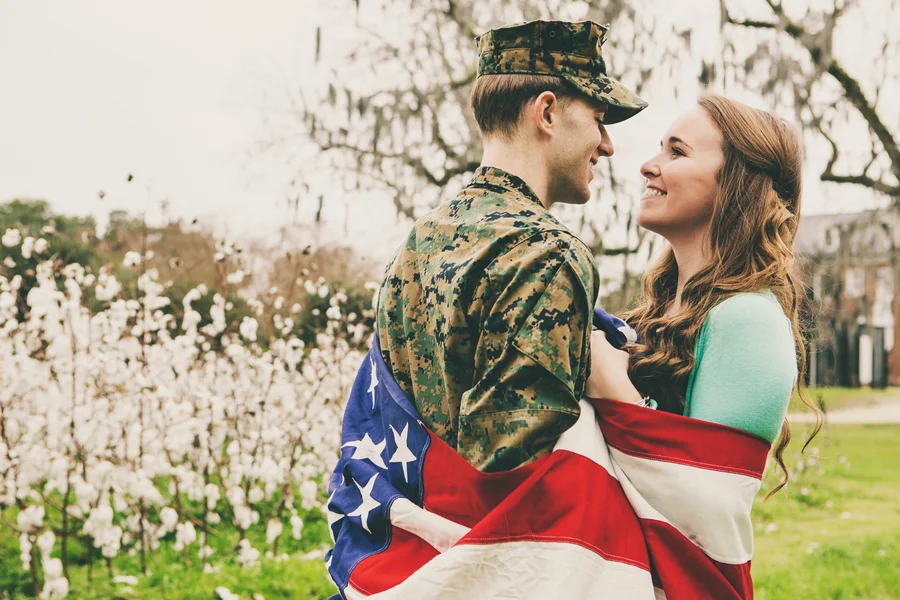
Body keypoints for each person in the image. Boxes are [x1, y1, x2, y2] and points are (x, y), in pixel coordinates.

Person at [375, 20, 647, 472]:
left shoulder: (420, 240)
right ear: (547, 113)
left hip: (422, 531)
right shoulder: (547, 254)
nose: (608, 145)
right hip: (494, 539)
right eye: (598, 121)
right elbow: (516, 477)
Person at [586, 92, 821, 490]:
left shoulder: (749, 321)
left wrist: (612, 388)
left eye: (677, 152)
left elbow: (710, 500)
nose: (648, 166)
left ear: (737, 182)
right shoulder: (657, 314)